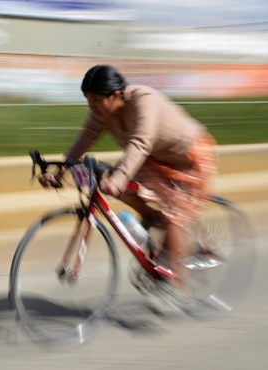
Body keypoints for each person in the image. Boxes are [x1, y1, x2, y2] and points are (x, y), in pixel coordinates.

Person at [39, 64, 217, 309]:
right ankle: (157, 221)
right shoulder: (102, 113)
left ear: (115, 94)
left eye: (96, 100)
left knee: (170, 215)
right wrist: (59, 172)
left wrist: (118, 177)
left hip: (187, 157)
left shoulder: (143, 99)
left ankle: (179, 289)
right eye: (88, 101)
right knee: (122, 190)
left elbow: (141, 142)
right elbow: (85, 138)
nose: (92, 107)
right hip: (154, 158)